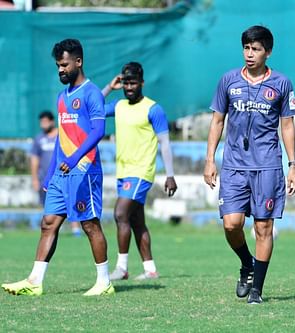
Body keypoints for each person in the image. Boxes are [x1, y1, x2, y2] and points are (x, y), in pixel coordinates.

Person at [2, 38, 114, 296]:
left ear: (78, 61)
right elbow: (61, 138)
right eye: (58, 66)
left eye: (64, 65)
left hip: (85, 170)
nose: (60, 70)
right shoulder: (62, 97)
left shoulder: (91, 93)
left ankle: (104, 282)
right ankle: (34, 281)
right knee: (48, 222)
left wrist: (74, 159)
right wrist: (51, 172)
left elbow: (98, 131)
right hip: (61, 174)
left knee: (89, 224)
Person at [203, 25, 295, 304]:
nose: (250, 53)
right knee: (232, 224)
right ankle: (247, 264)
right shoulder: (228, 81)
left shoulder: (281, 83)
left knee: (263, 227)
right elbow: (217, 121)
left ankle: (256, 290)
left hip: (267, 165)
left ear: (267, 52)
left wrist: (293, 165)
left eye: (256, 49)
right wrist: (210, 160)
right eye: (246, 48)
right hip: (233, 165)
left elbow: (288, 125)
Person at [101, 62, 177, 281]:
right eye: (126, 83)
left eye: (133, 83)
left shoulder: (153, 109)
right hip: (123, 172)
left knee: (120, 213)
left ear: (142, 83)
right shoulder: (119, 106)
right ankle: (150, 269)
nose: (129, 87)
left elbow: (164, 143)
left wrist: (170, 175)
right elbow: (92, 107)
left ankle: (122, 268)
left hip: (141, 171)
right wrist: (109, 86)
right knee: (136, 221)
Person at [30, 111, 81, 237]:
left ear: (52, 121)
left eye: (46, 121)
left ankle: (75, 229)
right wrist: (35, 178)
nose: (43, 124)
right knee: (48, 206)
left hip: (64, 175)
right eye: (42, 122)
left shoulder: (62, 135)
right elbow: (34, 159)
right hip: (45, 178)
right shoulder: (39, 139)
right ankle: (54, 228)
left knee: (71, 202)